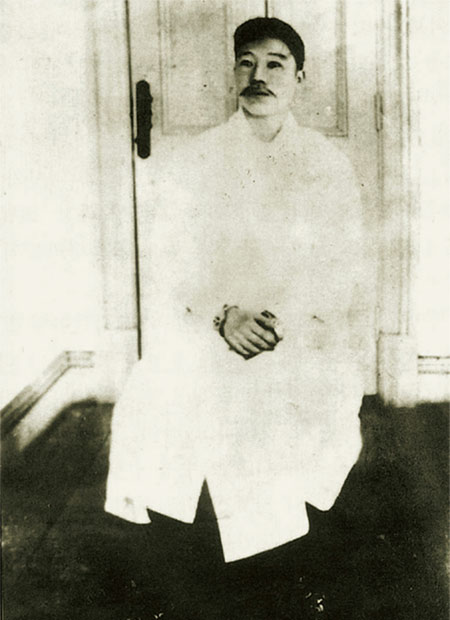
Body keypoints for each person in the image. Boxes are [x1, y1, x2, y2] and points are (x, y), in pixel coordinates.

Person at [104, 16, 366, 619]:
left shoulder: (326, 164)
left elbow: (340, 264)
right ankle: (183, 569)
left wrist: (277, 322)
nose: (258, 75)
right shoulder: (198, 158)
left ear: (300, 77)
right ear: (232, 74)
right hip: (212, 321)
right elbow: (174, 259)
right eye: (246, 62)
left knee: (280, 403)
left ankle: (281, 572)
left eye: (275, 63)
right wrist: (223, 316)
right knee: (155, 393)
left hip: (295, 331)